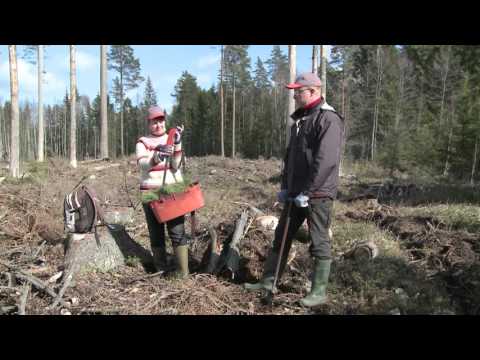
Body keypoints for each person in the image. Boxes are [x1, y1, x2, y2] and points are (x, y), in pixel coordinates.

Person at [244, 72, 344, 307]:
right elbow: (291, 158)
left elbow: (325, 160)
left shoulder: (328, 119)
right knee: (281, 236)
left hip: (317, 195)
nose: (295, 96)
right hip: (295, 193)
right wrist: (285, 187)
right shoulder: (301, 120)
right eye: (295, 92)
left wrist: (308, 192)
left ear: (313, 91)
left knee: (319, 241)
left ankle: (319, 292)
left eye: (298, 92)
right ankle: (269, 282)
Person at [136, 106, 189, 279]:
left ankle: (183, 272)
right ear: (149, 123)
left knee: (177, 231)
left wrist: (178, 143)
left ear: (164, 121)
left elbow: (176, 165)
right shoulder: (142, 142)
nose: (158, 125)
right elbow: (143, 165)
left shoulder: (172, 138)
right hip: (150, 194)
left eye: (161, 121)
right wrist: (157, 156)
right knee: (156, 232)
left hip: (172, 192)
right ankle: (161, 269)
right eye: (154, 122)